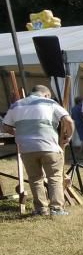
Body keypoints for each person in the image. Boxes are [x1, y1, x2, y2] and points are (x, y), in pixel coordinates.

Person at [1, 85, 74, 216]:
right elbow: (68, 120)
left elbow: (5, 126)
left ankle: (41, 209)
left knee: (35, 179)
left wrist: (17, 133)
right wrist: (68, 136)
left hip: (26, 148)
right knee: (55, 177)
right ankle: (56, 209)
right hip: (49, 146)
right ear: (46, 95)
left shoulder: (16, 105)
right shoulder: (50, 103)